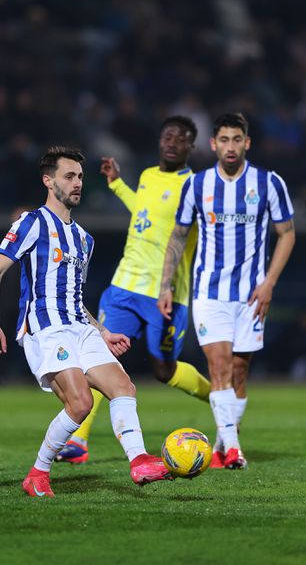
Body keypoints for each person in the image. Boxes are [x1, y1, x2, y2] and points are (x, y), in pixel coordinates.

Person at [0, 146, 172, 498]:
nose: (77, 183)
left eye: (80, 177)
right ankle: (38, 473)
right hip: (46, 328)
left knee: (123, 388)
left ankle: (140, 460)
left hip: (81, 328)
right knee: (81, 404)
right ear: (48, 180)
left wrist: (104, 331)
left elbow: (73, 297)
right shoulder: (31, 223)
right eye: (69, 176)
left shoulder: (85, 239)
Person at [54, 116, 211, 464]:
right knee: (99, 357)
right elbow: (145, 212)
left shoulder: (198, 188)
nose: (171, 143)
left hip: (166, 294)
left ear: (191, 147)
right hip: (124, 285)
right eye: (167, 136)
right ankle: (77, 442)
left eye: (180, 139)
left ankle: (218, 399)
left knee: (164, 370)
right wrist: (117, 185)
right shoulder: (148, 176)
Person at [158, 113, 296, 469]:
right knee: (218, 366)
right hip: (209, 292)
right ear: (213, 144)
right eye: (224, 140)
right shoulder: (197, 185)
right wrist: (166, 286)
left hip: (251, 295)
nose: (230, 147)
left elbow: (288, 233)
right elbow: (177, 237)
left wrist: (269, 284)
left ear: (246, 143)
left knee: (238, 373)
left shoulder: (269, 182)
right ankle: (234, 449)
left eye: (237, 140)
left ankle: (221, 446)